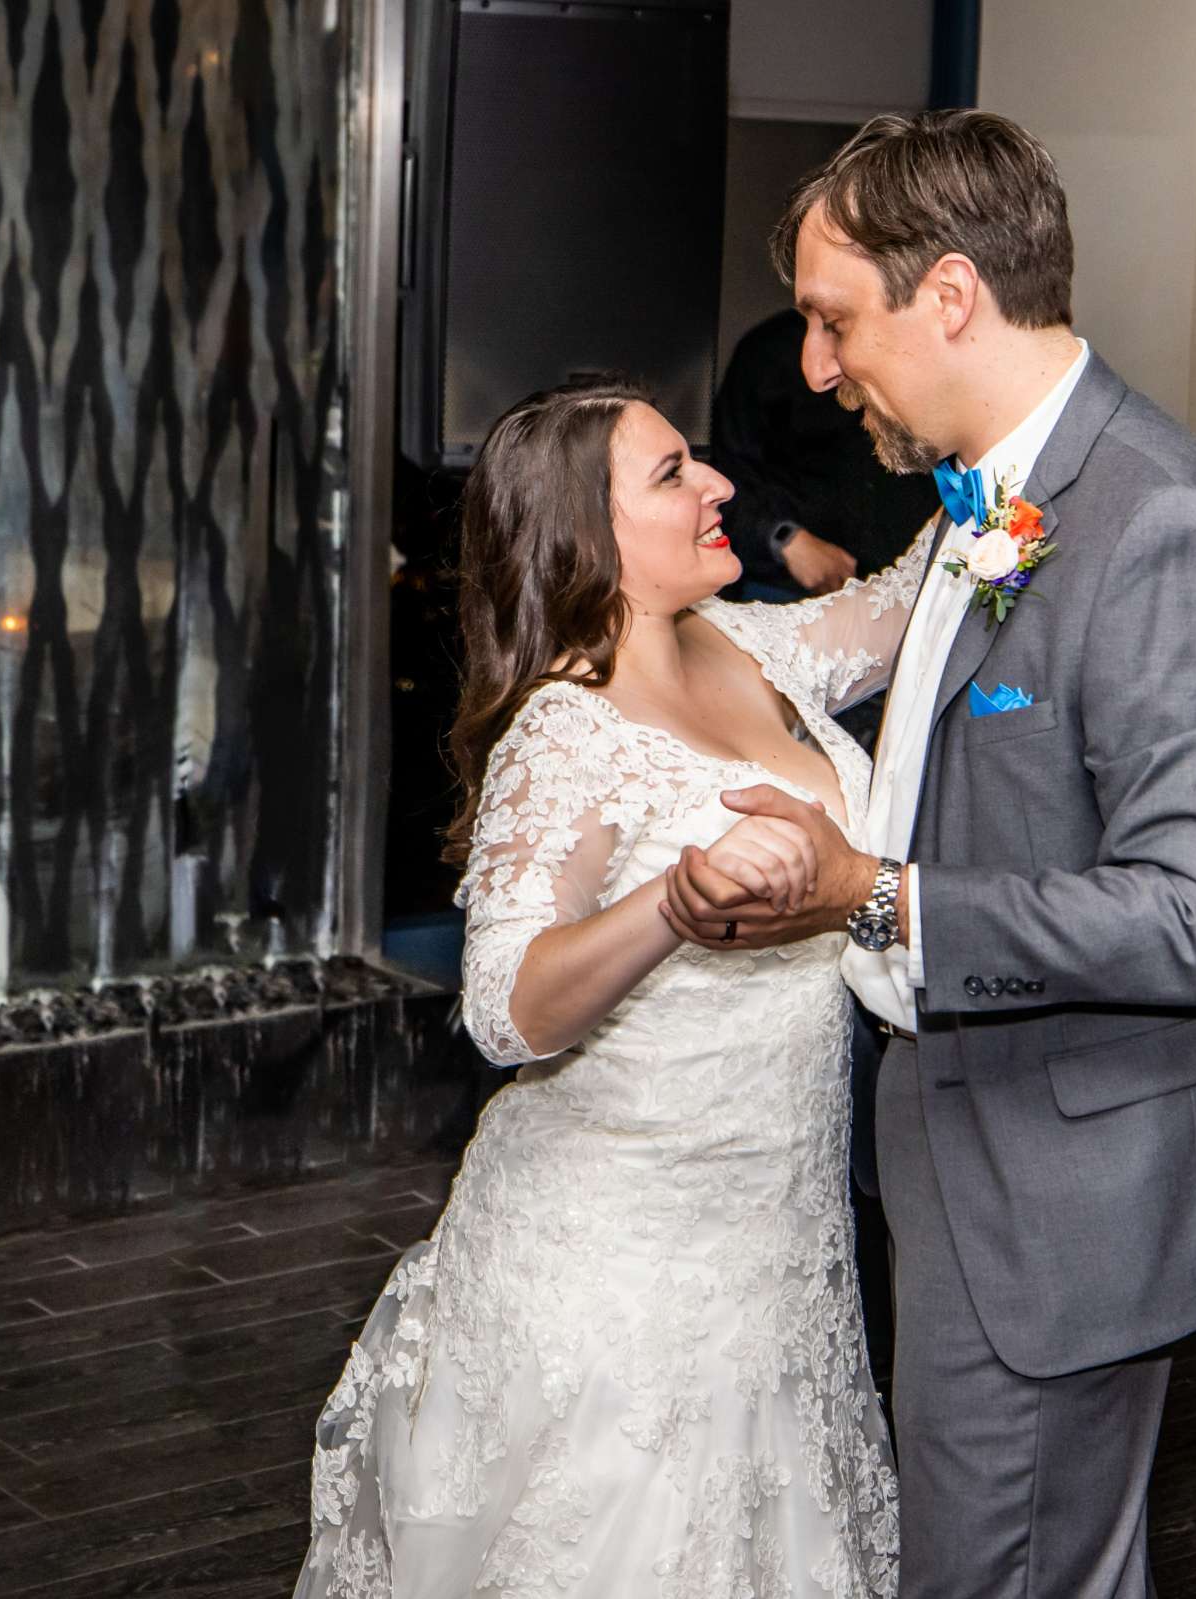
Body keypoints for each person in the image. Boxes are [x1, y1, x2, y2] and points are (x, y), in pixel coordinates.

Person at [662, 110, 1196, 1598]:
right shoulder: (997, 497)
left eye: (838, 323)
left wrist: (876, 894)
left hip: (1060, 1182)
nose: (818, 369)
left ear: (950, 295)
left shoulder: (1157, 524)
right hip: (964, 1127)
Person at [293, 380, 918, 1598]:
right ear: (589, 535)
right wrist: (672, 907)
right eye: (674, 473)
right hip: (618, 1267)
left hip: (781, 1243)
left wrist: (1002, 465)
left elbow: (905, 609)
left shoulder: (751, 639)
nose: (719, 485)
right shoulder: (563, 734)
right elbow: (504, 1008)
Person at [712, 307, 944, 602]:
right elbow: (726, 479)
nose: (819, 371)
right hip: (792, 592)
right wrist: (783, 537)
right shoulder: (769, 352)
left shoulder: (918, 349)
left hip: (909, 585)